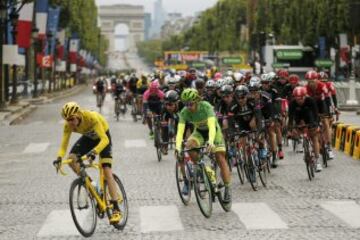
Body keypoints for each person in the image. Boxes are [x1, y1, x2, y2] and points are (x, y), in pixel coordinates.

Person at [53, 102, 122, 224]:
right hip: (89, 138)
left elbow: (104, 140)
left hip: (103, 137)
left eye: (72, 119)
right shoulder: (68, 125)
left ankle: (116, 208)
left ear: (78, 114)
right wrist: (59, 158)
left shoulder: (91, 117)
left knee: (106, 170)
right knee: (72, 159)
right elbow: (64, 145)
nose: (70, 122)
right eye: (67, 120)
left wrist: (94, 152)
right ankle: (92, 185)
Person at [175, 88, 232, 203]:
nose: (188, 106)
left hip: (214, 132)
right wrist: (177, 147)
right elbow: (180, 131)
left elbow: (212, 125)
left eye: (191, 103)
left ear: (196, 101)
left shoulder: (206, 106)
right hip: (200, 132)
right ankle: (201, 168)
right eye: (186, 104)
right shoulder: (184, 112)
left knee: (220, 158)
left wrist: (211, 141)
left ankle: (227, 188)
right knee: (189, 145)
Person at [288, 87, 322, 171]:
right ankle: (300, 141)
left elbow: (315, 114)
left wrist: (316, 125)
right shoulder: (292, 103)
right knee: (296, 129)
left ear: (305, 96)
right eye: (297, 98)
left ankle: (317, 161)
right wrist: (290, 129)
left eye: (301, 98)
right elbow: (291, 117)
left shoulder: (310, 101)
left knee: (314, 138)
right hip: (299, 117)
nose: (299, 100)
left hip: (310, 117)